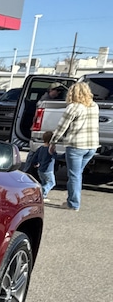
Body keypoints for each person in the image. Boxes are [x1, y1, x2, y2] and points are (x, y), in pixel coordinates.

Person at [49, 81, 99, 211]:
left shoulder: (73, 107)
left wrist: (53, 142)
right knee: (77, 174)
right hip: (92, 146)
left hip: (76, 145)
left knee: (74, 175)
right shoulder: (94, 106)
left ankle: (73, 203)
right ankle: (72, 200)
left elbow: (61, 127)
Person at [24, 130, 58, 202]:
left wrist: (35, 163)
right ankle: (42, 194)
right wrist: (65, 155)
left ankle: (42, 195)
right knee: (51, 182)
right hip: (48, 170)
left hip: (40, 169)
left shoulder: (40, 148)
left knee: (44, 183)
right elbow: (56, 156)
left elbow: (34, 157)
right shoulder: (50, 149)